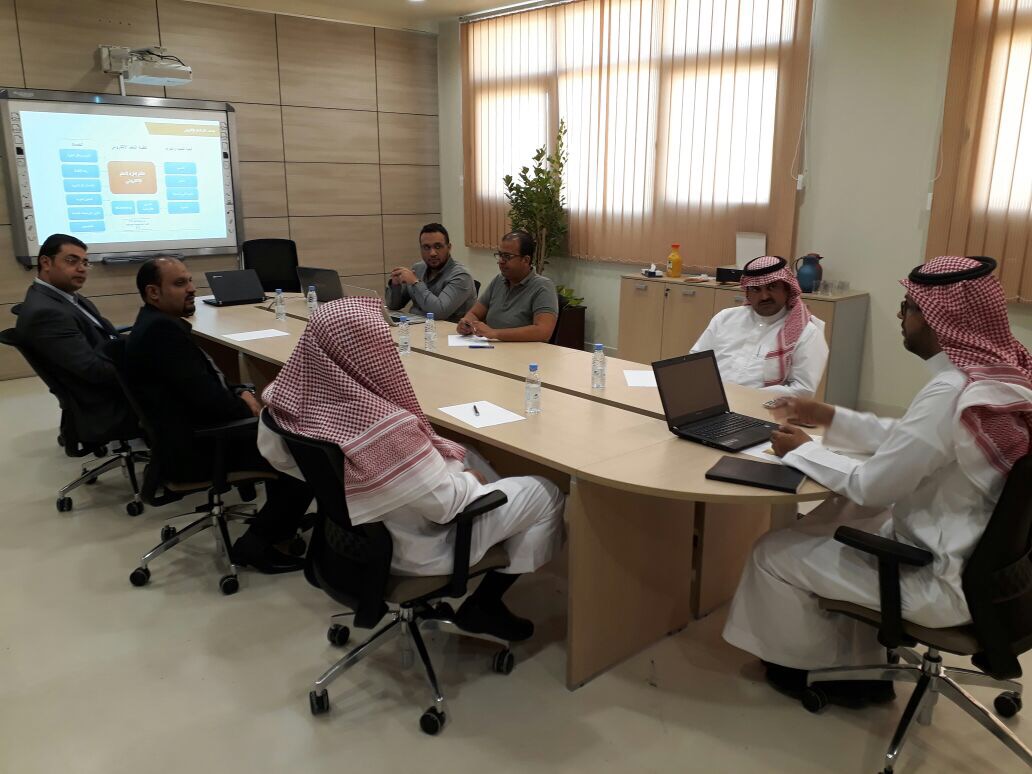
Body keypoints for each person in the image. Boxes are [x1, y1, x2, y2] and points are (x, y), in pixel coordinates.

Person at [722, 255, 1032, 705]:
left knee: (772, 553)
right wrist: (830, 418)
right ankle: (852, 655)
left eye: (909, 307)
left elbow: (872, 485)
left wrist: (802, 451)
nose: (901, 316)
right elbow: (912, 440)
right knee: (836, 517)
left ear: (939, 319)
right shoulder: (998, 377)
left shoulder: (952, 393)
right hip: (986, 564)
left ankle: (810, 672)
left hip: (937, 576)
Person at [258, 297, 565, 641]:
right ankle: (486, 604)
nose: (388, 351)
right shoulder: (387, 430)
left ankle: (498, 519)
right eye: (380, 344)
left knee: (467, 451)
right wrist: (469, 482)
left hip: (352, 536)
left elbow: (279, 458)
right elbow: (445, 506)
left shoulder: (286, 402)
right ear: (364, 353)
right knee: (547, 491)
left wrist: (350, 484)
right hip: (416, 546)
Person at [125, 257, 313, 574]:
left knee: (286, 429)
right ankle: (258, 544)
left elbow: (203, 384)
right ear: (153, 292)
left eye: (189, 280)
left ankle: (281, 525)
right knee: (306, 448)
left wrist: (240, 391)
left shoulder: (155, 323)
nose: (191, 288)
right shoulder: (162, 334)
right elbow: (211, 402)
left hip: (183, 435)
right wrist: (254, 409)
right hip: (201, 445)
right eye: (180, 283)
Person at [16, 233, 136, 440]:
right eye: (72, 261)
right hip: (105, 402)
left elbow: (109, 336)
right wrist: (144, 364)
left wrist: (143, 344)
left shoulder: (66, 297)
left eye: (85, 262)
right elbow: (94, 371)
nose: (82, 268)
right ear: (46, 262)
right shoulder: (47, 313)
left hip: (108, 376)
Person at [691, 255, 829, 397]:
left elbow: (803, 390)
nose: (764, 296)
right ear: (747, 293)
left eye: (772, 287)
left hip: (763, 407)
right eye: (756, 289)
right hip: (709, 399)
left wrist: (745, 396)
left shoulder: (807, 332)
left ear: (787, 289)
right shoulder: (725, 318)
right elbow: (696, 362)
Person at [456, 230, 558, 343]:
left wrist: (495, 333)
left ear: (526, 260)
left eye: (507, 256)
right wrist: (467, 323)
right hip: (492, 348)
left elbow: (543, 331)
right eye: (500, 255)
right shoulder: (499, 280)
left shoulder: (543, 286)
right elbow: (474, 313)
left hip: (523, 351)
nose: (501, 261)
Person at [385, 223, 477, 322]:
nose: (432, 253)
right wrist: (396, 286)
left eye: (438, 246)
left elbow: (439, 312)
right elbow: (394, 306)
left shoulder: (461, 276)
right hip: (417, 326)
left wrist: (416, 283)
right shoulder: (418, 269)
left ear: (449, 247)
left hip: (447, 329)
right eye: (426, 247)